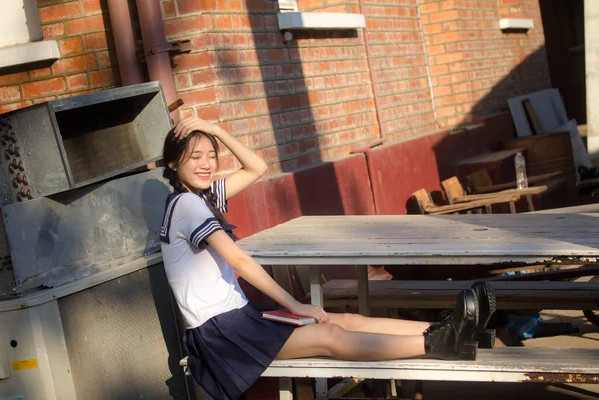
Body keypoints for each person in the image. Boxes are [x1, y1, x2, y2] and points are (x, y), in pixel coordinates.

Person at [159, 116, 496, 400]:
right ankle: (437, 343)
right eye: (194, 157)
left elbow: (256, 167)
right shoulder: (187, 205)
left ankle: (452, 329)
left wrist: (214, 129)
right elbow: (240, 262)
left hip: (239, 320)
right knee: (330, 336)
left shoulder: (201, 198)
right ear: (174, 164)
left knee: (344, 320)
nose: (205, 164)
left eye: (210, 155)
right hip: (222, 335)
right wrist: (296, 305)